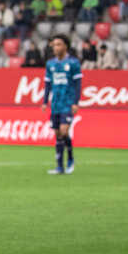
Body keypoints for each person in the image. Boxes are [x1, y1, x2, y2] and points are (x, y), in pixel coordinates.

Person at [41, 34, 82, 175]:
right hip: (56, 103)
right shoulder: (50, 64)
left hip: (68, 103)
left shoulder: (73, 63)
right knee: (58, 133)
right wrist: (45, 101)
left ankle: (70, 158)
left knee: (64, 131)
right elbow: (47, 84)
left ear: (65, 46)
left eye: (58, 44)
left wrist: (76, 102)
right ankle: (59, 166)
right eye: (54, 45)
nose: (55, 47)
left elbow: (78, 84)